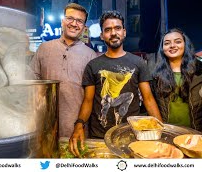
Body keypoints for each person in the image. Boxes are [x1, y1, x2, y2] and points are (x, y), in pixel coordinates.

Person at [69, 10, 162, 157]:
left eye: (117, 28)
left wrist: (160, 131)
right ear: (102, 35)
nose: (113, 33)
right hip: (100, 136)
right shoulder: (93, 65)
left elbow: (148, 99)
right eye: (108, 30)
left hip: (131, 136)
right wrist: (79, 125)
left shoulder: (138, 63)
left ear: (124, 32)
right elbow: (88, 100)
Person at [30, 3, 98, 137]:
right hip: (44, 126)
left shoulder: (90, 55)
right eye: (70, 18)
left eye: (79, 21)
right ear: (62, 21)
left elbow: (90, 98)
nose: (74, 23)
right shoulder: (44, 48)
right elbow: (32, 84)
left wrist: (80, 124)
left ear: (84, 27)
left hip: (77, 129)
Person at [151, 28, 202, 131]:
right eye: (167, 43)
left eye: (178, 42)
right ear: (162, 48)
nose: (172, 46)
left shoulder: (199, 72)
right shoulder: (156, 77)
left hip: (195, 132)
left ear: (185, 45)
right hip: (167, 132)